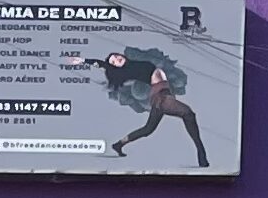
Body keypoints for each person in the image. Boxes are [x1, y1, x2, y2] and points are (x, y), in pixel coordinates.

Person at [65, 49, 208, 167]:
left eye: (116, 57)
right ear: (115, 67)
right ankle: (201, 152)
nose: (117, 60)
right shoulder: (126, 71)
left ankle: (119, 144)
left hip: (163, 93)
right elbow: (101, 64)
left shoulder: (134, 61)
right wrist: (82, 60)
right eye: (113, 62)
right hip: (161, 96)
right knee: (188, 114)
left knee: (148, 129)